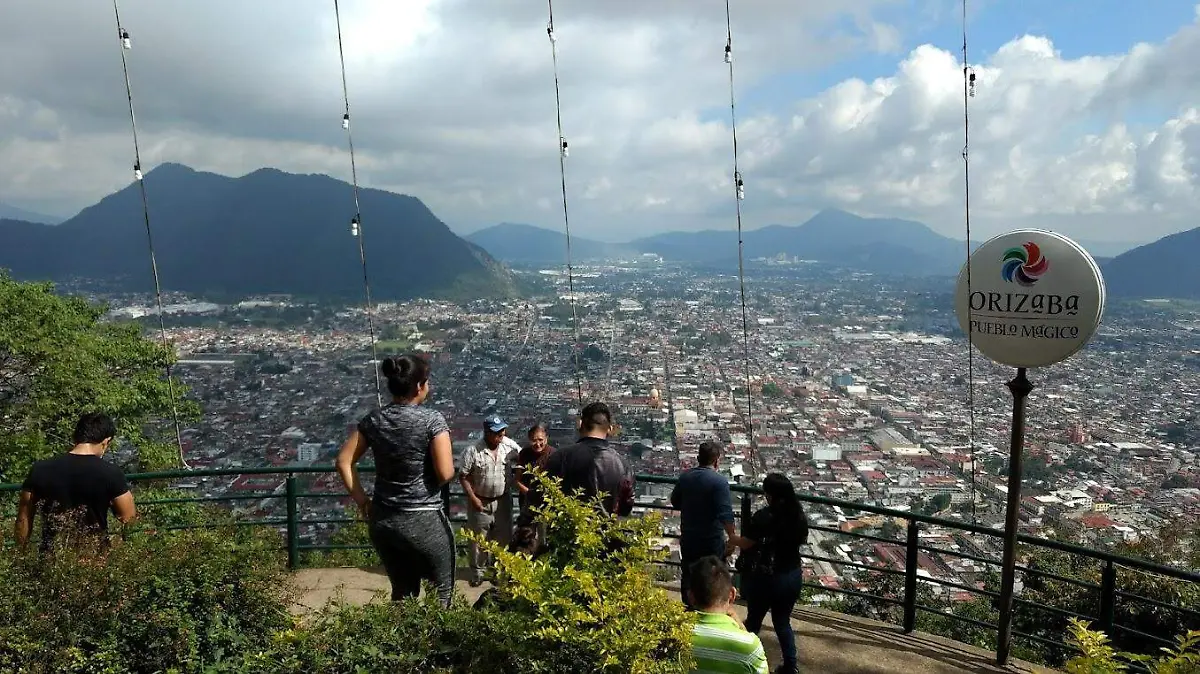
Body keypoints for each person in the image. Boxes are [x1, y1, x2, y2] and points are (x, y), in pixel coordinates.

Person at [336, 354, 456, 607]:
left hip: (383, 519)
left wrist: (363, 502)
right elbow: (446, 473)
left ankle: (399, 643)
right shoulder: (432, 420)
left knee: (402, 592)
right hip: (423, 517)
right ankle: (437, 644)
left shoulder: (373, 420)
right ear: (419, 386)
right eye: (427, 381)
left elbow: (344, 461)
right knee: (441, 594)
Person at [14, 412, 137, 552]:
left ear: (75, 437)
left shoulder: (40, 469)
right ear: (106, 441)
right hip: (94, 559)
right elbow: (129, 519)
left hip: (51, 560)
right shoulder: (111, 473)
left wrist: (21, 556)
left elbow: (23, 519)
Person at [735, 473, 809, 674]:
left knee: (753, 622)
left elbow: (748, 543)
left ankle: (745, 659)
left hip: (766, 577)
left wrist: (731, 538)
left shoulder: (764, 517)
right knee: (783, 622)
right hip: (791, 574)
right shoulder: (799, 517)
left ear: (771, 494)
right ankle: (790, 665)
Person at [671, 441, 742, 609]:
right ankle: (710, 609)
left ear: (698, 458)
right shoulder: (719, 482)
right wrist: (732, 539)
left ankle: (689, 608)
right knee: (712, 578)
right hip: (711, 539)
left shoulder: (686, 477)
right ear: (717, 461)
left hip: (689, 537)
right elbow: (725, 514)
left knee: (689, 574)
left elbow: (675, 502)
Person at [459, 415, 521, 586]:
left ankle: (499, 572)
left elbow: (523, 459)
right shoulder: (473, 450)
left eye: (502, 431)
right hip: (480, 500)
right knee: (479, 539)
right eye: (496, 433)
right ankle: (477, 573)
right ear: (486, 432)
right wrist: (473, 498)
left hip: (503, 500)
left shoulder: (509, 446)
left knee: (503, 538)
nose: (500, 435)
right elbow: (463, 476)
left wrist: (517, 479)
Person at [545, 401, 634, 516]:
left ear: (581, 425)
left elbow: (541, 496)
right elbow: (626, 507)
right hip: (607, 530)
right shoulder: (623, 465)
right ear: (609, 429)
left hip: (567, 529)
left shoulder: (561, 457)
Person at [687, 555, 770, 674]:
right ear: (732, 594)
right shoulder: (749, 646)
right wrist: (741, 627)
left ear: (691, 596)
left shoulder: (672, 635)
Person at [513, 423, 555, 526]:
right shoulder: (524, 453)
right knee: (526, 532)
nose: (537, 443)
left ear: (546, 438)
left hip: (547, 502)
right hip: (526, 501)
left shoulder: (554, 454)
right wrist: (529, 494)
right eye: (534, 440)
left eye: (540, 440)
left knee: (544, 534)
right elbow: (517, 479)